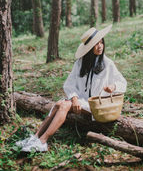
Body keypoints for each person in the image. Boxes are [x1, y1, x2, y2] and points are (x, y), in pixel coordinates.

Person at [16, 24, 127, 152]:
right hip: (82, 102)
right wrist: (74, 98)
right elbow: (69, 84)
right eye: (96, 44)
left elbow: (122, 82)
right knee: (59, 104)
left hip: (97, 105)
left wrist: (113, 86)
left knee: (64, 105)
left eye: (101, 42)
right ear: (89, 48)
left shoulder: (107, 64)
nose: (100, 46)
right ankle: (35, 137)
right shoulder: (80, 63)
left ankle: (43, 141)